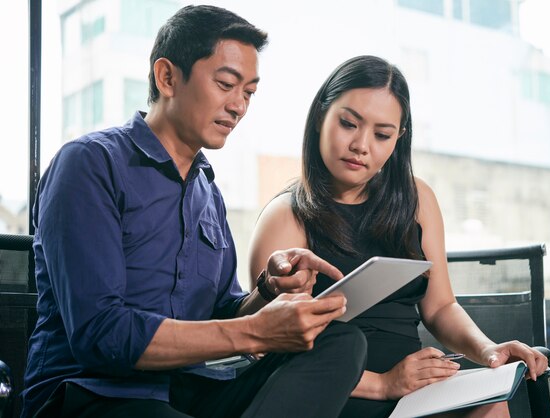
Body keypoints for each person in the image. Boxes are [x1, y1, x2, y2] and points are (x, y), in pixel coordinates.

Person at [21, 6, 368, 418]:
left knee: (342, 343)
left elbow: (223, 311)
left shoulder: (208, 192)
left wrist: (270, 291)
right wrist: (256, 331)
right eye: (226, 84)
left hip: (188, 391)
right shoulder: (89, 164)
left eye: (249, 93)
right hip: (91, 394)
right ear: (167, 77)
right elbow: (101, 335)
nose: (239, 106)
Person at [248, 55, 549, 418]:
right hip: (338, 390)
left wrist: (488, 350)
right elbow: (277, 350)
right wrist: (385, 383)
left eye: (382, 134)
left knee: (490, 407)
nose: (361, 145)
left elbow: (439, 307)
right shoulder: (285, 216)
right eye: (348, 124)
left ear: (398, 138)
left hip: (414, 385)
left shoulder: (417, 199)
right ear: (319, 119)